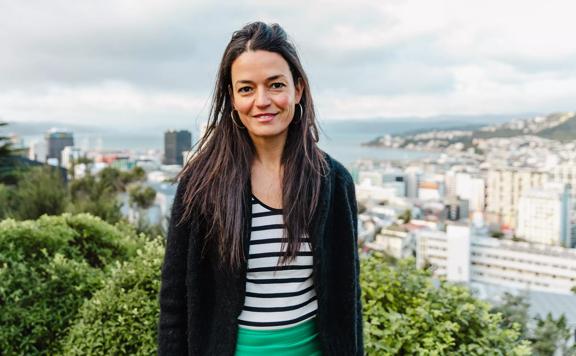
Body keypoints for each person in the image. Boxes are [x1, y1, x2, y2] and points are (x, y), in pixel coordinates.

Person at [158, 21, 363, 356]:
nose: (262, 101)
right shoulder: (202, 185)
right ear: (232, 98)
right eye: (246, 89)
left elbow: (347, 297)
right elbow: (174, 303)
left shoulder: (333, 181)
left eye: (275, 85)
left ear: (298, 90)